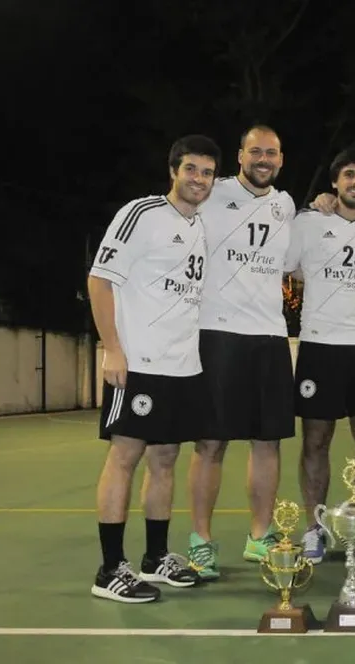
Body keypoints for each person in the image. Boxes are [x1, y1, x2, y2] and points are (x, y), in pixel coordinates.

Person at [87, 135, 220, 602]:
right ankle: (109, 570)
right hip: (138, 362)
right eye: (191, 169)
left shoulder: (202, 224)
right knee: (125, 457)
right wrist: (113, 349)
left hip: (183, 365)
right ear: (173, 171)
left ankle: (155, 558)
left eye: (207, 172)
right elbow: (100, 279)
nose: (199, 179)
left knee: (165, 459)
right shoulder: (141, 214)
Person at [185, 125, 299, 580]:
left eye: (271, 152)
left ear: (281, 159)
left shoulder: (286, 205)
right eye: (256, 152)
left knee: (267, 441)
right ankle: (201, 541)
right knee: (211, 442)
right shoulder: (213, 193)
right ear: (240, 155)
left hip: (270, 336)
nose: (264, 159)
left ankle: (260, 535)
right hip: (217, 333)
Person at [287, 148, 355, 563]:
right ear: (335, 183)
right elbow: (290, 266)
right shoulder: (308, 222)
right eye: (349, 174)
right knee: (316, 439)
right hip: (320, 345)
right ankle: (314, 529)